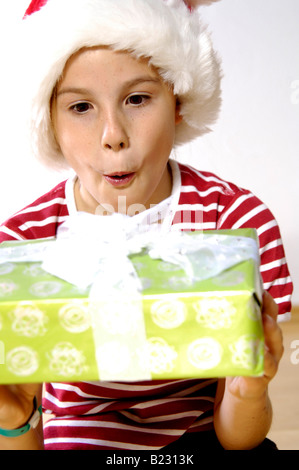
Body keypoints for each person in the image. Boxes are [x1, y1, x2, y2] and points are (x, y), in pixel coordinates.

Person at [0, 0, 292, 451]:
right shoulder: (22, 246)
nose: (113, 134)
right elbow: (20, 427)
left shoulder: (236, 226)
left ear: (177, 100)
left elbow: (240, 438)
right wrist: (16, 419)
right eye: (80, 107)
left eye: (137, 98)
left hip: (201, 442)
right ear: (50, 123)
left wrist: (245, 391)